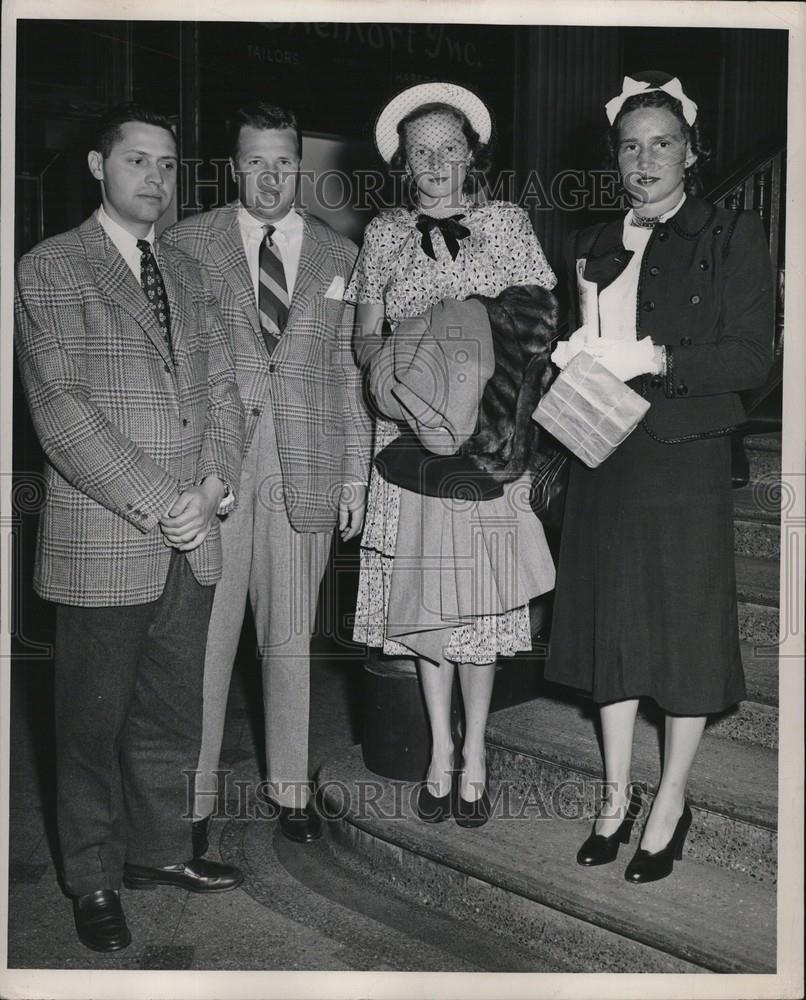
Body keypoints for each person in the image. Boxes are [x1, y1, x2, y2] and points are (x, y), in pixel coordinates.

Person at [14, 103, 246, 953]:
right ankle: (94, 877)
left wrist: (214, 485)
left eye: (168, 164)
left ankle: (158, 854)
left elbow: (225, 395)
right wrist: (165, 500)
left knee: (169, 716)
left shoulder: (189, 274)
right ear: (96, 166)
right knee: (89, 725)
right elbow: (61, 414)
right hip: (108, 538)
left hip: (194, 536)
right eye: (137, 161)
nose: (155, 178)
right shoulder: (49, 270)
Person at [545, 71, 774, 882]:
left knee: (679, 635)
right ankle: (615, 796)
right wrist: (568, 358)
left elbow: (754, 357)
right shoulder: (591, 239)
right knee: (612, 629)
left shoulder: (731, 232)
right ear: (614, 155)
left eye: (663, 143)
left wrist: (659, 358)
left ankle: (671, 801)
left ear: (692, 152)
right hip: (604, 455)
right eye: (631, 145)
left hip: (683, 456)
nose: (646, 159)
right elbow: (582, 343)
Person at [347, 82, 557, 827]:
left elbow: (540, 329)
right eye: (420, 152)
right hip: (409, 440)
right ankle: (439, 750)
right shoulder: (382, 234)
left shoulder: (507, 223)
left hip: (489, 447)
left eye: (448, 148)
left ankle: (478, 756)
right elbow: (363, 335)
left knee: (481, 610)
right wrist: (397, 370)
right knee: (428, 607)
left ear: (472, 153)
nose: (435, 163)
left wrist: (464, 336)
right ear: (403, 163)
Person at [163, 102, 373, 845]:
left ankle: (290, 789)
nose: (271, 177)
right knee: (209, 642)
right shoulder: (186, 243)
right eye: (256, 161)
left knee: (289, 637)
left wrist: (356, 478)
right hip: (215, 465)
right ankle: (191, 803)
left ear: (298, 165)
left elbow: (350, 375)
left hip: (305, 466)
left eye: (283, 161)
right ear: (234, 166)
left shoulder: (339, 256)